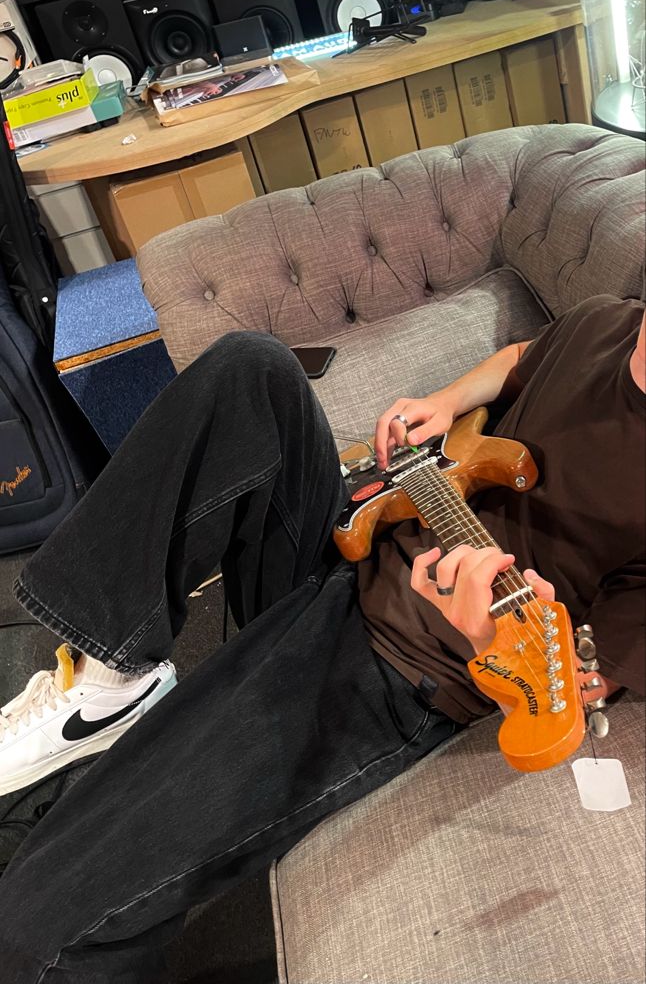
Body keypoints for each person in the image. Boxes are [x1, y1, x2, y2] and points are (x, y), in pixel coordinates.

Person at [0, 292, 643, 983]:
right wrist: (447, 401)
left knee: (37, 929)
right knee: (253, 367)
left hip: (397, 665)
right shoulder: (608, 317)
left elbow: (578, 680)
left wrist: (487, 635)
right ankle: (111, 681)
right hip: (359, 545)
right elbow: (522, 360)